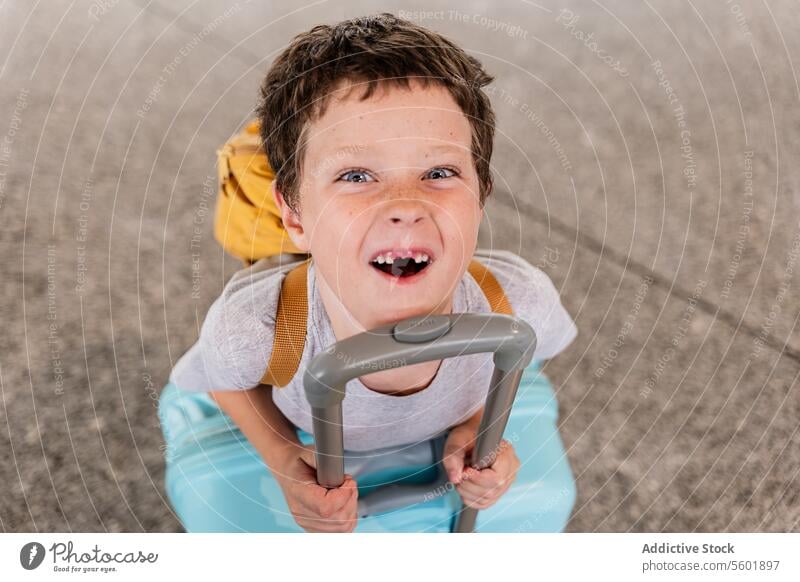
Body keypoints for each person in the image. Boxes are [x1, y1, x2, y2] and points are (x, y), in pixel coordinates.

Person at [170, 12, 578, 533]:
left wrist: (475, 425)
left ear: (481, 197)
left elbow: (527, 363)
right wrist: (281, 456)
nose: (404, 205)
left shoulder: (519, 303)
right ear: (294, 215)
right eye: (356, 175)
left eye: (439, 172)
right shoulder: (255, 329)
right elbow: (222, 382)